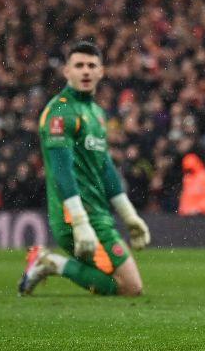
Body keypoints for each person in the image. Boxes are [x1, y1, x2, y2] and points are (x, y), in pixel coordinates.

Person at [19, 41, 151, 297]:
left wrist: (130, 216)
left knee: (127, 285)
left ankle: (48, 262)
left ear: (102, 71)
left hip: (99, 214)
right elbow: (62, 171)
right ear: (66, 71)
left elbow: (106, 169)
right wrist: (79, 222)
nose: (86, 71)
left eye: (92, 65)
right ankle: (52, 263)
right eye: (79, 65)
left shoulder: (96, 113)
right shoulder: (60, 112)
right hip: (74, 218)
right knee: (129, 287)